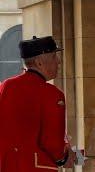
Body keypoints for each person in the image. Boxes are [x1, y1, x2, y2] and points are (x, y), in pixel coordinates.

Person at [0, 36, 75, 171]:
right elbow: (52, 142)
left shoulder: (6, 86)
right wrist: (65, 156)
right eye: (54, 57)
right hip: (35, 166)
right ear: (39, 62)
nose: (58, 61)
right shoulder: (52, 94)